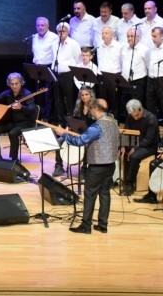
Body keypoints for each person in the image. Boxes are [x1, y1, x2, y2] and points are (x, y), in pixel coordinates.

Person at [50, 98, 118, 234]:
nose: (91, 112)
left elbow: (80, 141)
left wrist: (63, 134)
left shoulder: (96, 127)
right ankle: (102, 225)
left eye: (92, 109)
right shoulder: (114, 122)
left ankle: (86, 226)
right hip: (110, 164)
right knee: (105, 194)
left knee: (90, 195)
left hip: (97, 166)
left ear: (96, 109)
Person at [0, 72, 36, 163]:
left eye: (16, 83)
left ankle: (14, 159)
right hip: (12, 122)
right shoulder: (8, 93)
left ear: (21, 82)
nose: (14, 86)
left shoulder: (27, 94)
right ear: (9, 84)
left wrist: (21, 107)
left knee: (13, 133)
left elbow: (32, 110)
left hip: (25, 122)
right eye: (12, 84)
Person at [120, 99, 161, 196]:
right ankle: (115, 179)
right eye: (133, 116)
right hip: (135, 143)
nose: (135, 118)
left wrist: (135, 148)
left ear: (140, 109)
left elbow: (149, 139)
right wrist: (123, 146)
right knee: (117, 150)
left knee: (135, 157)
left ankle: (130, 184)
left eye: (137, 115)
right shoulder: (131, 116)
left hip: (149, 146)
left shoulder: (151, 118)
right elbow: (126, 132)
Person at [54, 85, 96, 177]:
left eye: (86, 94)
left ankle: (84, 169)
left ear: (91, 95)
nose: (84, 97)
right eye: (82, 95)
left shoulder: (95, 108)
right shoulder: (78, 106)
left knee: (86, 145)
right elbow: (74, 121)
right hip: (76, 133)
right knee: (59, 141)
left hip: (89, 136)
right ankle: (58, 166)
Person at [30, 16, 58, 122]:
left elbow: (55, 54)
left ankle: (48, 118)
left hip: (48, 68)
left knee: (48, 95)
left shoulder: (54, 37)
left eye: (42, 25)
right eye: (38, 25)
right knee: (38, 94)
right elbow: (35, 52)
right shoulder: (34, 37)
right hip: (37, 68)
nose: (40, 27)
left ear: (48, 26)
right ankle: (40, 117)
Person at [53, 22, 81, 122]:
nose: (61, 33)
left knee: (70, 100)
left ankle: (72, 123)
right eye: (59, 31)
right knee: (58, 101)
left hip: (69, 75)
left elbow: (79, 61)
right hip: (57, 75)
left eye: (63, 31)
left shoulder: (74, 44)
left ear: (68, 32)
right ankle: (61, 123)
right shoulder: (54, 43)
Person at [120, 26, 148, 115]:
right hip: (125, 81)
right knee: (125, 104)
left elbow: (147, 65)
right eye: (128, 36)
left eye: (132, 36)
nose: (130, 38)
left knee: (136, 105)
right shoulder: (124, 48)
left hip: (138, 81)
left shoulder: (144, 49)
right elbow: (121, 62)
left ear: (138, 37)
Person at [96, 25, 123, 117]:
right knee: (103, 100)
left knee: (114, 101)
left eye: (106, 33)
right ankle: (103, 120)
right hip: (102, 76)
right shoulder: (99, 46)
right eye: (102, 33)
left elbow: (122, 62)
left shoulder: (118, 47)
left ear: (112, 35)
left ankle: (114, 121)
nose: (103, 35)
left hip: (114, 76)